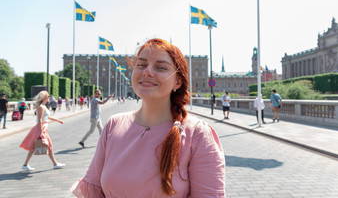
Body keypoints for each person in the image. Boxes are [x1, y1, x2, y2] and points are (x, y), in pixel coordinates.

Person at [71, 38, 225, 197]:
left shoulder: (198, 135)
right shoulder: (113, 124)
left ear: (177, 81)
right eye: (141, 65)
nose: (147, 71)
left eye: (161, 67)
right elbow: (94, 189)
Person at [19, 91, 65, 171]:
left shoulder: (43, 106)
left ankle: (25, 164)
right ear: (44, 97)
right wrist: (41, 132)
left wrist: (57, 120)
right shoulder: (41, 107)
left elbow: (47, 117)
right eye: (48, 96)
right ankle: (55, 163)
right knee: (48, 145)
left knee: (33, 147)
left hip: (42, 128)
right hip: (41, 128)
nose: (49, 97)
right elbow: (40, 120)